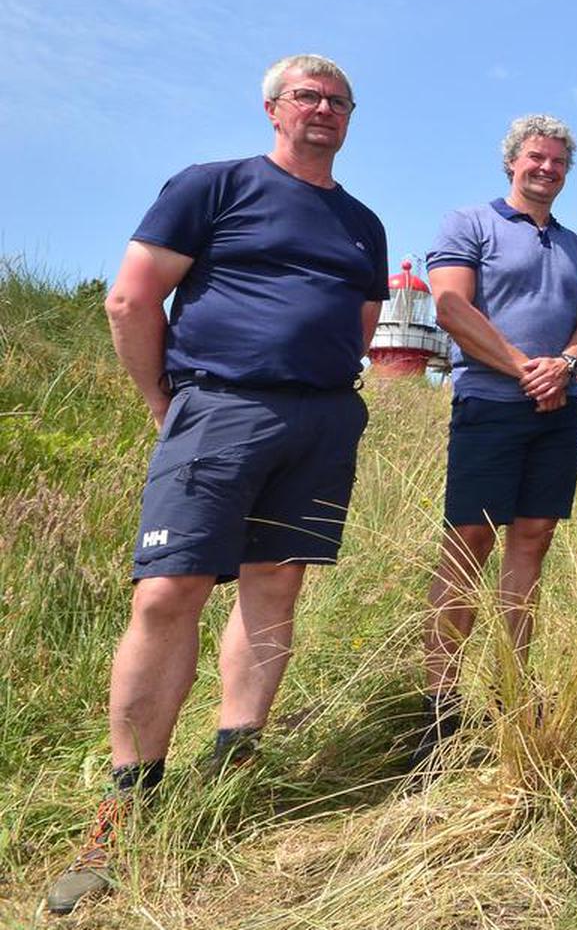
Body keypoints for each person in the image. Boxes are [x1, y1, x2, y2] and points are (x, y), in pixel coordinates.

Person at [47, 55, 388, 916]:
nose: (323, 109)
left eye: (337, 100)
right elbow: (132, 299)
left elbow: (362, 324)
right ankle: (125, 805)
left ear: (351, 117)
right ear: (273, 108)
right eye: (306, 96)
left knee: (276, 586)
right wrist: (164, 401)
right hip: (220, 405)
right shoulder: (214, 185)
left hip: (320, 418)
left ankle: (236, 758)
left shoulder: (362, 222)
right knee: (169, 589)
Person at [411, 115, 577, 767]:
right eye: (535, 159)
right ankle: (439, 702)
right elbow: (452, 308)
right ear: (511, 163)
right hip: (491, 405)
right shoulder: (469, 224)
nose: (545, 169)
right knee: (469, 542)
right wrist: (526, 368)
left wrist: (566, 365)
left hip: (558, 411)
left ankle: (510, 689)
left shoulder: (574, 244)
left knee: (533, 540)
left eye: (557, 162)